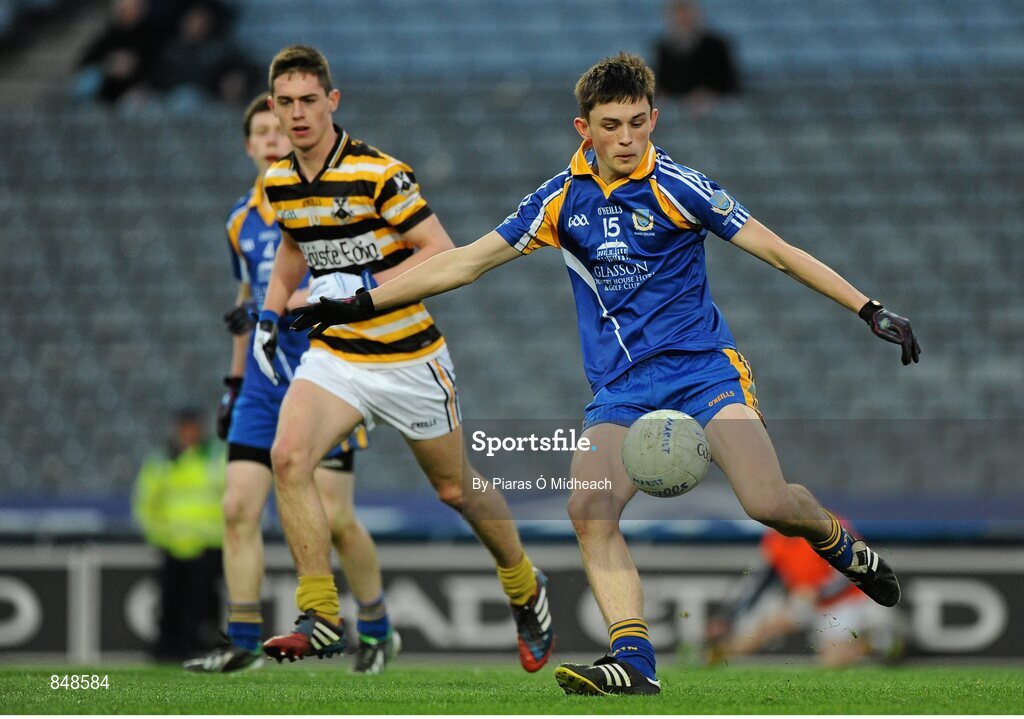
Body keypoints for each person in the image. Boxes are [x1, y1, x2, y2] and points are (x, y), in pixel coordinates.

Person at [292, 52, 920, 696]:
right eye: (611, 125)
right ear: (582, 128)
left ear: (655, 119)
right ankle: (634, 659)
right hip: (621, 388)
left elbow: (778, 252)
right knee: (589, 507)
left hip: (704, 371)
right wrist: (359, 302)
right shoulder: (560, 199)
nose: (626, 139)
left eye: (638, 123)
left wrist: (867, 308)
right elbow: (463, 264)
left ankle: (839, 543)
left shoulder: (680, 186)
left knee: (766, 503)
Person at [252, 46, 554, 672]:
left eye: (310, 100)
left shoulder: (378, 173)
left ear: (332, 102)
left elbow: (439, 251)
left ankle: (524, 586)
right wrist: (270, 309)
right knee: (287, 457)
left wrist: (361, 290)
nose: (299, 113)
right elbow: (291, 249)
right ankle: (321, 613)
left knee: (454, 489)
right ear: (274, 108)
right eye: (287, 102)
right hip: (335, 356)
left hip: (408, 357)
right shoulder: (279, 181)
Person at [182, 93, 396, 675]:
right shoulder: (240, 221)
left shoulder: (326, 207)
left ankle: (375, 627)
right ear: (250, 145)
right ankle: (244, 640)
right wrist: (232, 382)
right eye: (262, 132)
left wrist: (298, 301)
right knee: (237, 509)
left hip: (326, 373)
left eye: (281, 130)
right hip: (260, 381)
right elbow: (247, 301)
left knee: (338, 519)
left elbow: (364, 277)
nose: (274, 139)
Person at [706, 529, 904, 667]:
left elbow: (857, 566)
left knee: (832, 661)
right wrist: (728, 616)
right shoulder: (776, 537)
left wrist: (819, 592)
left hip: (843, 601)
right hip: (806, 601)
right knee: (767, 626)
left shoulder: (827, 525)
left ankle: (877, 642)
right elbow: (759, 583)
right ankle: (719, 655)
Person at [133, 408, 224, 661]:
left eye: (193, 427)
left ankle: (203, 645)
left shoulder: (216, 457)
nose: (189, 433)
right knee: (170, 600)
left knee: (206, 601)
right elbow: (145, 501)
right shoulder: (161, 460)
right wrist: (157, 535)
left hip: (209, 543)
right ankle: (169, 647)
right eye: (185, 427)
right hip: (171, 544)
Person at [653, 0, 739, 117]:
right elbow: (662, 85)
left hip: (715, 112)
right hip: (677, 113)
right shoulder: (663, 49)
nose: (682, 19)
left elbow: (731, 83)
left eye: (686, 14)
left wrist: (710, 95)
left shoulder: (717, 46)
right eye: (678, 15)